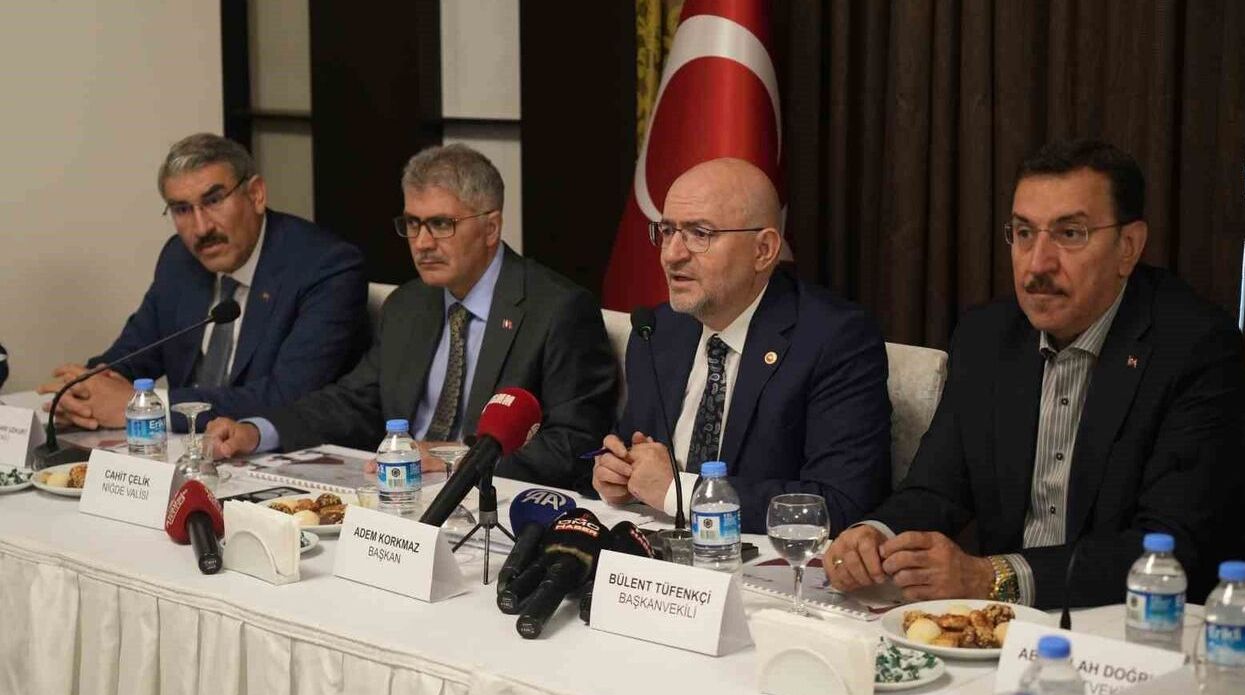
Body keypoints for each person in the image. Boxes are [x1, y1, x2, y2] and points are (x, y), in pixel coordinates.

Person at [824, 139, 1245, 609]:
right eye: (1023, 233)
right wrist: (876, 534)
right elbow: (937, 487)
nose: (1037, 264)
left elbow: (1173, 546)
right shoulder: (987, 337)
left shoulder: (1194, 347)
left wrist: (991, 577)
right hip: (1011, 624)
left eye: (1070, 233)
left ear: (1128, 247)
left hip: (1156, 626)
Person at [206, 143, 616, 489]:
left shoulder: (556, 310)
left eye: (440, 224)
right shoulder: (408, 304)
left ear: (491, 228)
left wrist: (456, 458)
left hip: (492, 501)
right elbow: (353, 403)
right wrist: (258, 431)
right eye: (413, 224)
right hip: (398, 494)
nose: (422, 243)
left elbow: (575, 444)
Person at [592, 158, 891, 533]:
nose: (671, 254)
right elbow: (635, 452)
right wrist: (619, 473)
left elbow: (839, 503)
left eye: (699, 234)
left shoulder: (835, 339)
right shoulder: (657, 330)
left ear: (763, 250)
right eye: (667, 231)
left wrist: (680, 492)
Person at [37, 133, 367, 431]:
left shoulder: (325, 268)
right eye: (182, 209)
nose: (201, 228)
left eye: (213, 201)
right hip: (188, 454)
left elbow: (288, 395)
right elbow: (132, 355)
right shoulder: (179, 260)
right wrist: (84, 392)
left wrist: (148, 407)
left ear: (256, 194)